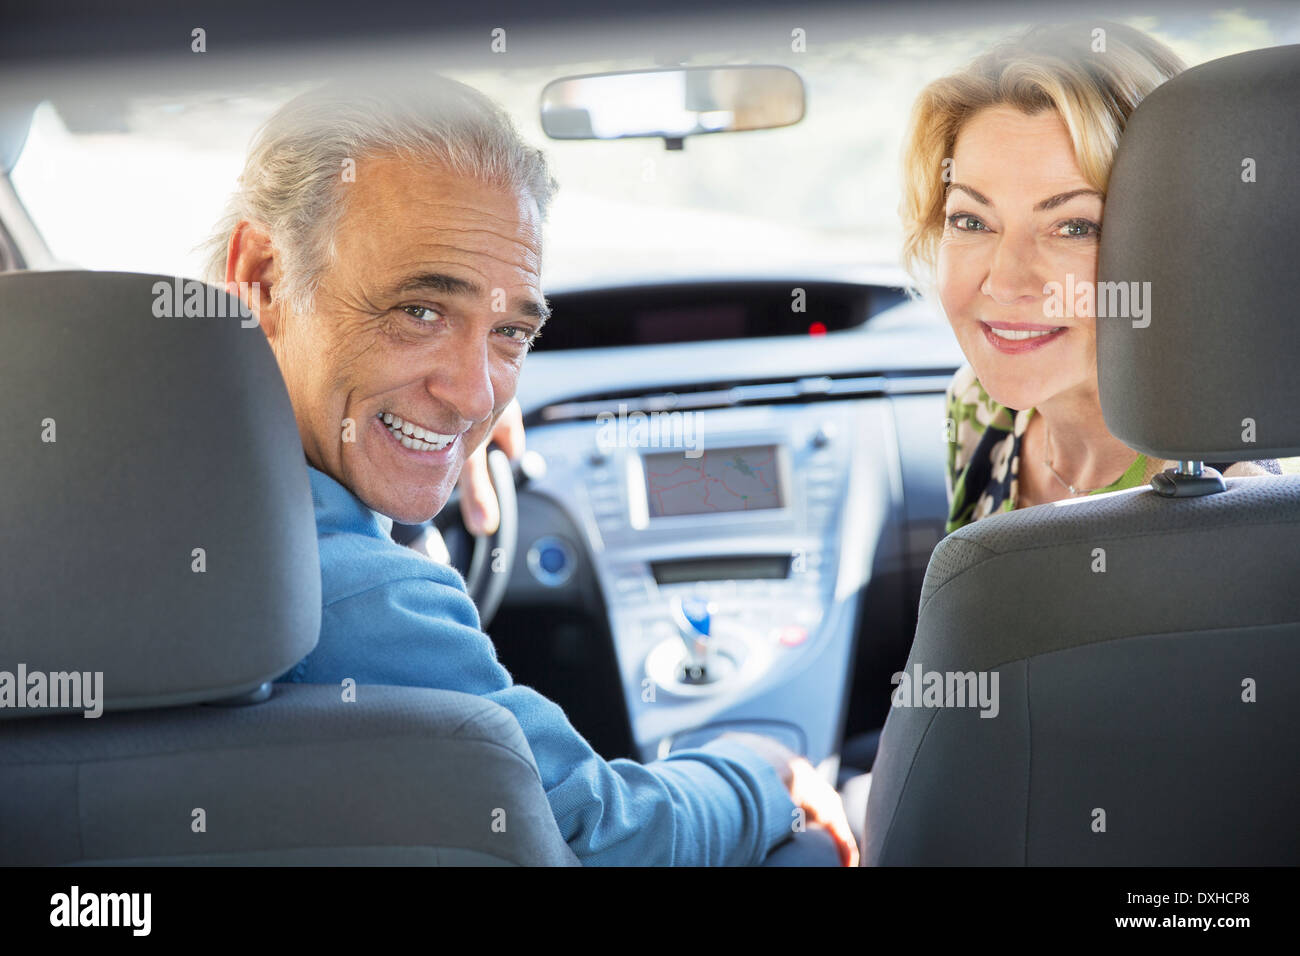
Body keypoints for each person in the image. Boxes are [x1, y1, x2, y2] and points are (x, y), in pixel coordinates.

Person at [203, 78, 858, 866]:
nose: (475, 393)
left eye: (511, 332)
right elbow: (598, 836)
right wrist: (767, 772)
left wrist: (413, 417)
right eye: (420, 310)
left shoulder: (107, 475)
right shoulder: (355, 592)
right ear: (264, 276)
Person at [898, 21, 1280, 534]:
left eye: (1075, 227)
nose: (1006, 284)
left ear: (1184, 247)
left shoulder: (1236, 499)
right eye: (971, 220)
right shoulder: (977, 406)